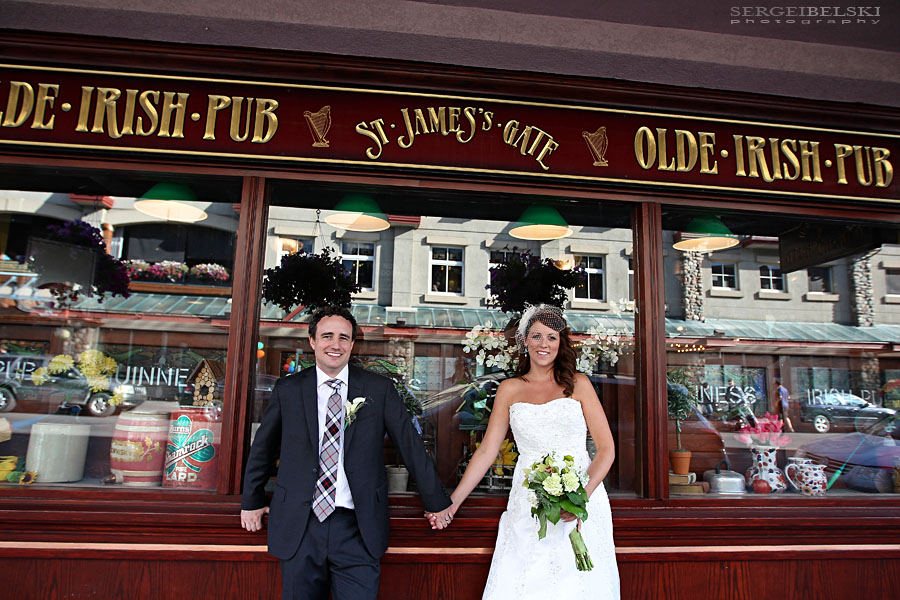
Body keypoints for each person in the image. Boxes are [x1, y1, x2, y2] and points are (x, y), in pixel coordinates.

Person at [240, 306, 451, 600]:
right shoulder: (289, 390)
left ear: (352, 344)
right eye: (327, 336)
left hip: (358, 526)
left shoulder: (379, 389)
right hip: (300, 526)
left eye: (343, 337)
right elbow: (263, 449)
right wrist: (251, 500)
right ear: (312, 341)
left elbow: (409, 444)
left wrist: (436, 502)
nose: (335, 345)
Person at [428, 304, 620, 599]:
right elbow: (487, 451)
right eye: (537, 336)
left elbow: (606, 449)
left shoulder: (578, 385)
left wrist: (580, 498)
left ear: (561, 342)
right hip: (528, 500)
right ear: (524, 341)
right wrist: (452, 504)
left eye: (552, 337)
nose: (544, 344)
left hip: (583, 501)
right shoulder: (509, 389)